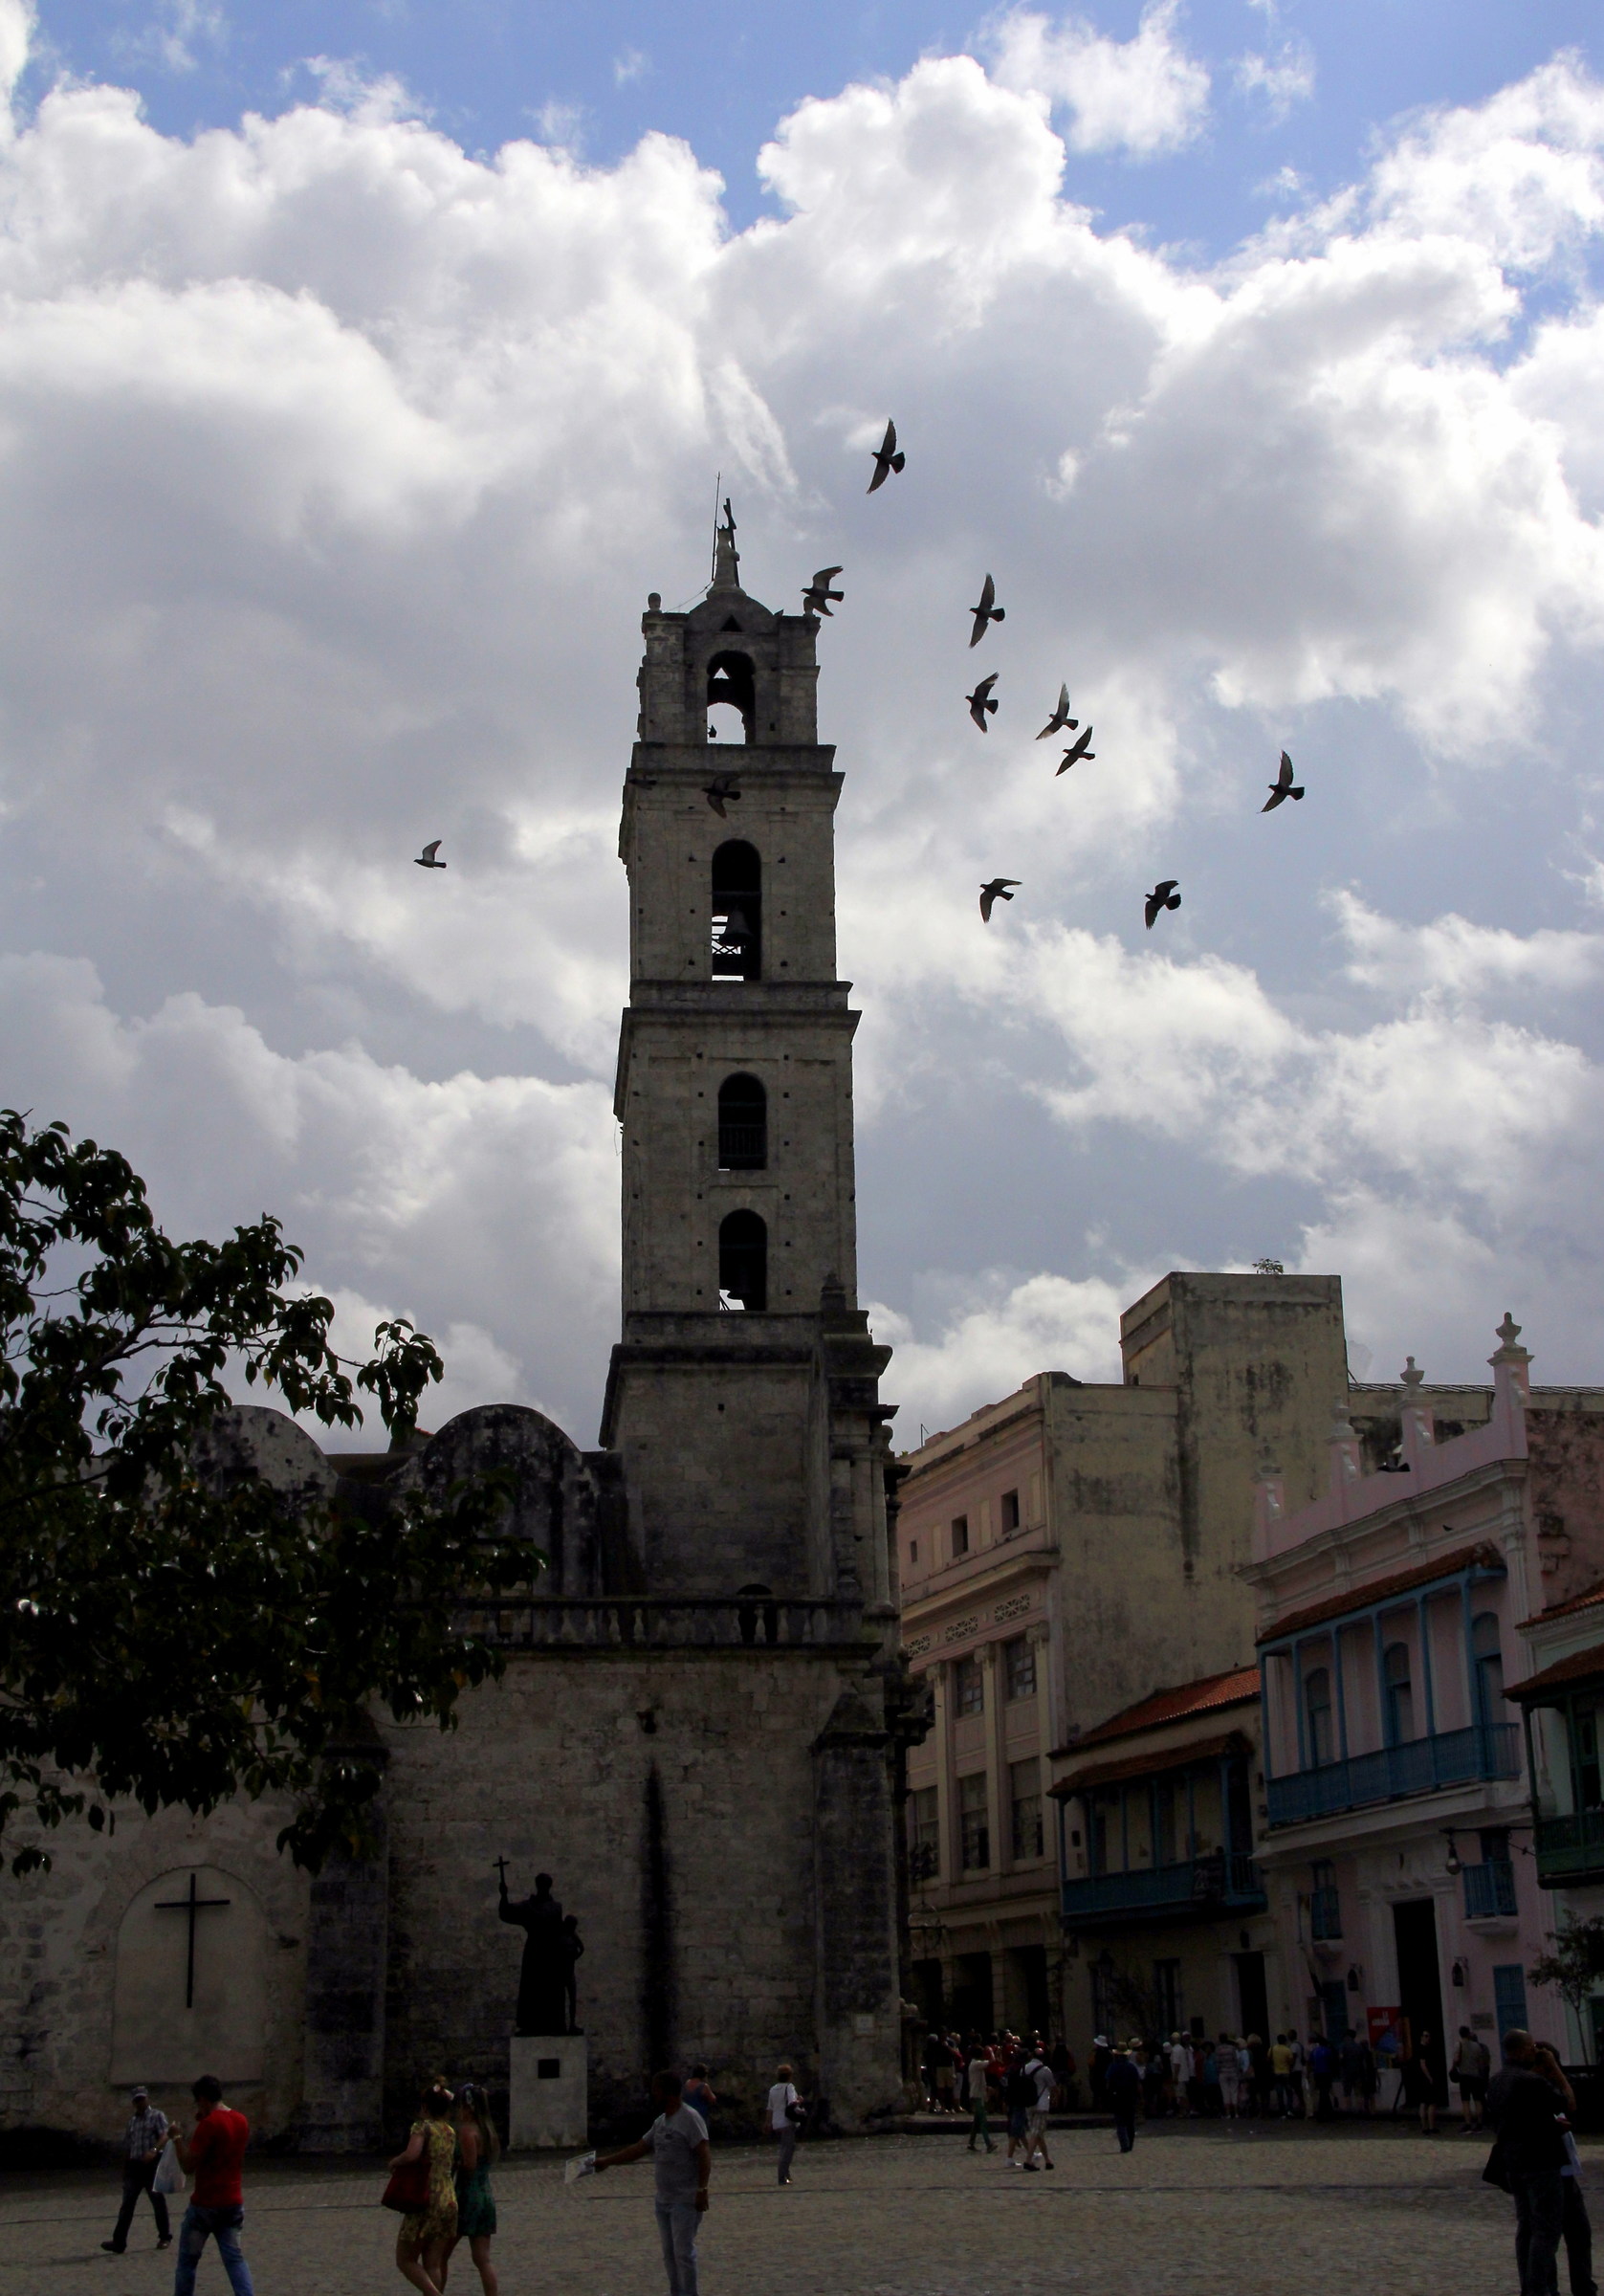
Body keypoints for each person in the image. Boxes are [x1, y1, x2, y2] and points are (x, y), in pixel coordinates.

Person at [595, 2069, 712, 2296]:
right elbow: (640, 2148)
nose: (652, 2094)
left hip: (685, 2199)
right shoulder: (661, 2122)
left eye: (656, 2090)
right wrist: (607, 2161)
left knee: (683, 2253)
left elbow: (704, 2153)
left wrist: (702, 2189)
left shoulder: (690, 2118)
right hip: (664, 2200)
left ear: (668, 2092)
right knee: (670, 2254)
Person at [1486, 2027, 1570, 2296]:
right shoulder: (1530, 2081)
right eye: (1532, 2047)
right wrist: (1554, 2068)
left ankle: (1529, 2286)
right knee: (1546, 2231)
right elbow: (1564, 2102)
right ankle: (1537, 2288)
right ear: (1523, 2049)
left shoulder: (1497, 2080)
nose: (1535, 2051)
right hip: (1540, 2161)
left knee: (1526, 2227)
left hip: (1513, 2163)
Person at [170, 2074, 254, 2296]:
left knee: (187, 2263)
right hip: (232, 2200)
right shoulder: (241, 2120)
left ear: (203, 2099)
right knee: (235, 2260)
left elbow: (188, 2165)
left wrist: (177, 2138)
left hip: (206, 2203)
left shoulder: (209, 2125)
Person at [1532, 2041, 1597, 2296]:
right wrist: (1555, 2071)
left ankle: (1583, 2288)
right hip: (1548, 2173)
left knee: (1579, 2234)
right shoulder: (1535, 2087)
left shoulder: (1546, 2087)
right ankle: (1550, 2289)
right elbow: (1570, 2103)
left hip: (1566, 2173)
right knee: (1548, 2238)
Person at [388, 2078, 459, 2296]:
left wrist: (395, 2161)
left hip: (424, 2198)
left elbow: (412, 2155)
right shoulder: (449, 2131)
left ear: (426, 2107)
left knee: (405, 2259)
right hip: (447, 2197)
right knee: (433, 2263)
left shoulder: (422, 2127)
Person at [440, 2082, 499, 2296]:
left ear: (469, 2108)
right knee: (483, 2259)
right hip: (485, 2194)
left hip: (467, 2196)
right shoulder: (488, 2131)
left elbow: (469, 2165)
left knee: (441, 2255)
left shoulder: (467, 2131)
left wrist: (451, 2163)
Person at [101, 2084, 172, 2255]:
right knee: (127, 2204)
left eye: (142, 2099)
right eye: (137, 2100)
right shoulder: (132, 2121)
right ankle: (119, 2242)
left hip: (151, 2165)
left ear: (147, 2099)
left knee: (157, 2202)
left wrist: (154, 2150)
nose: (140, 2102)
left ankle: (164, 2236)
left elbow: (165, 2135)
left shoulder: (156, 2116)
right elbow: (129, 2145)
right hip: (135, 2166)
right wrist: (125, 2169)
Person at [767, 2061, 803, 2185]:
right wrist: (799, 2100)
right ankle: (782, 2176)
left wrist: (767, 2123)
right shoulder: (789, 2087)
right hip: (787, 2122)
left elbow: (770, 2108)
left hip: (776, 2123)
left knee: (784, 2148)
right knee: (788, 2150)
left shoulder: (773, 2089)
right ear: (789, 2076)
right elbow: (792, 2103)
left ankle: (786, 2174)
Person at [1021, 2045, 1055, 2171]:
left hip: (1028, 2103)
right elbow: (1053, 2086)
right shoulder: (1045, 2070)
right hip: (1042, 2104)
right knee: (1036, 2133)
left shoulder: (1024, 2068)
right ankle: (1028, 2160)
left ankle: (1048, 2160)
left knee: (1037, 2132)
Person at [1455, 2025, 1492, 2131]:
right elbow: (1481, 2063)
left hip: (1464, 2076)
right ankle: (1479, 2123)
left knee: (1465, 2102)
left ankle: (1468, 2123)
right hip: (1476, 2076)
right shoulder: (1477, 2046)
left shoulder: (1459, 2045)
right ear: (1468, 2033)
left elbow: (1456, 2060)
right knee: (1478, 2101)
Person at [1108, 2041, 1142, 2153]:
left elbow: (1108, 2081)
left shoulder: (1113, 2066)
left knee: (1120, 2122)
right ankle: (1130, 2144)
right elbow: (1138, 2083)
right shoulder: (1131, 2067)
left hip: (1117, 2095)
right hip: (1130, 2096)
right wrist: (1140, 2097)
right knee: (1130, 2122)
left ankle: (1124, 2145)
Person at [1402, 2029, 1439, 2133]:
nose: (1428, 2038)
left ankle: (1424, 2127)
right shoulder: (1423, 2050)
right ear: (1421, 2037)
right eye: (1425, 2036)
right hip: (1425, 2079)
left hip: (1421, 2079)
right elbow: (1423, 2064)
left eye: (1428, 2036)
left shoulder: (1419, 2049)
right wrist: (1429, 2077)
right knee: (1431, 2103)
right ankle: (1430, 2127)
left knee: (1423, 2103)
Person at [965, 2043, 995, 2152]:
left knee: (977, 2121)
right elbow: (992, 2061)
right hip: (977, 2095)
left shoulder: (975, 2064)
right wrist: (991, 2051)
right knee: (983, 2120)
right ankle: (988, 2143)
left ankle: (971, 2142)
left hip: (977, 2093)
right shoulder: (977, 2064)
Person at [1218, 2034, 1241, 2119]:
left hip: (1223, 2072)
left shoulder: (1219, 2049)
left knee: (1225, 2093)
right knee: (1234, 2092)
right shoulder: (1232, 2048)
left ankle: (1228, 2113)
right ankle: (1236, 2113)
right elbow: (1236, 2060)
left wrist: (1219, 2070)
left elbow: (1217, 2062)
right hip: (1233, 2071)